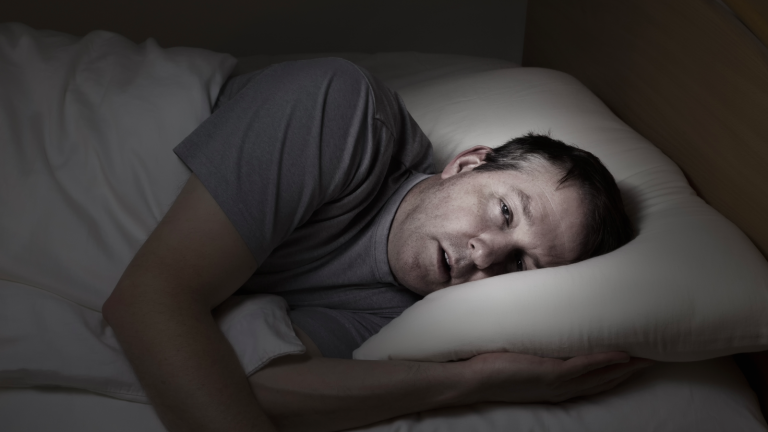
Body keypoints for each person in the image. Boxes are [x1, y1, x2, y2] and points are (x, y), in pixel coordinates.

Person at [102, 58, 651, 432]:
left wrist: (476, 380)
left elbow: (256, 386)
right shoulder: (342, 112)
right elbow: (148, 298)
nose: (486, 256)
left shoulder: (410, 316)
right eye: (505, 212)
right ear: (467, 164)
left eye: (521, 265)